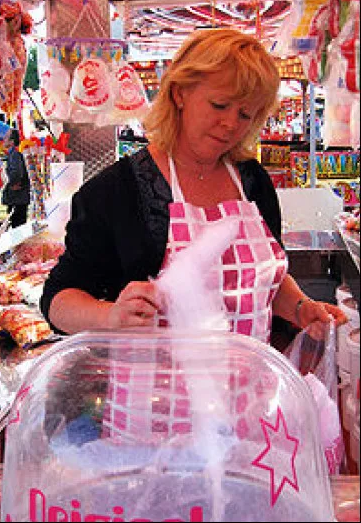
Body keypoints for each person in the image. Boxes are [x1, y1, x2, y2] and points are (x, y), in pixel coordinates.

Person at [40, 28, 346, 343]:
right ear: (180, 93)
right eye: (219, 105)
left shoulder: (253, 181)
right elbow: (57, 300)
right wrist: (111, 315)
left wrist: (300, 308)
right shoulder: (116, 191)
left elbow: (265, 279)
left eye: (244, 114)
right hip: (153, 388)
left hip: (247, 385)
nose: (230, 124)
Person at [1, 128, 30, 229]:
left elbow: (16, 172)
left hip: (17, 197)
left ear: (12, 142)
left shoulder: (15, 154)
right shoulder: (14, 153)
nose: (3, 140)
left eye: (6, 138)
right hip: (19, 197)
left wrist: (11, 183)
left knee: (16, 226)